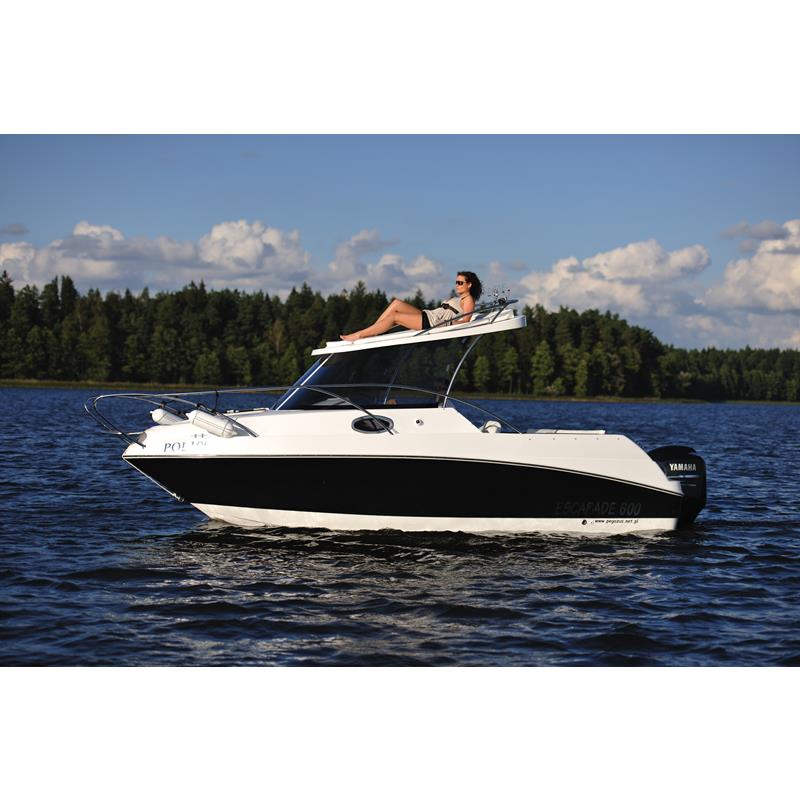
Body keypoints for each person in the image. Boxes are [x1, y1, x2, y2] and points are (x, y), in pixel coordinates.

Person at [340, 272, 483, 342]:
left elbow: (465, 321)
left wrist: (446, 324)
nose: (457, 285)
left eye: (460, 283)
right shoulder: (460, 299)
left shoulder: (469, 299)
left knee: (395, 317)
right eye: (456, 282)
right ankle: (373, 331)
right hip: (429, 315)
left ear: (469, 284)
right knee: (396, 303)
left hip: (433, 322)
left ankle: (360, 334)